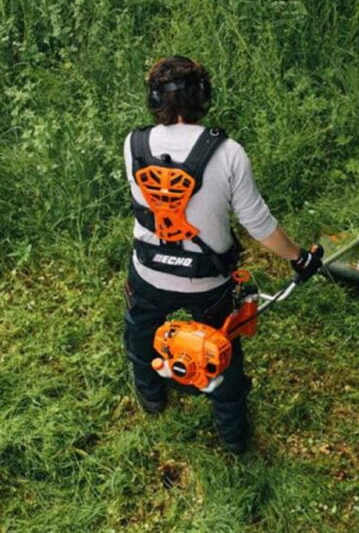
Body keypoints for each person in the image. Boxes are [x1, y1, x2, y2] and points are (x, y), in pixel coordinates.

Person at [123, 55, 322, 454]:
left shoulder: (134, 144)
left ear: (154, 100)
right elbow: (259, 225)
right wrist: (299, 258)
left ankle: (152, 395)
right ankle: (232, 436)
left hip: (148, 272)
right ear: (203, 96)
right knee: (221, 352)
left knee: (140, 332)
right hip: (208, 282)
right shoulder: (228, 152)